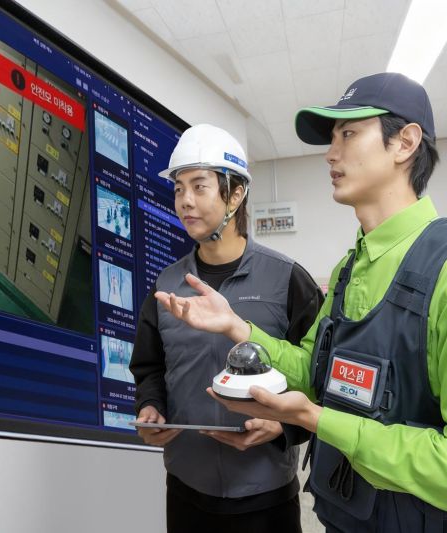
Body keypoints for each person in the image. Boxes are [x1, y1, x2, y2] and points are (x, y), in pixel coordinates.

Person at [155, 74, 447, 532]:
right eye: (331, 139)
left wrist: (319, 421)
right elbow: (316, 372)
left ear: (405, 143)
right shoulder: (349, 270)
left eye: (349, 134)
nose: (330, 153)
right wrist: (237, 328)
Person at [130, 124, 324, 533]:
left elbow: (321, 379)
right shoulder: (166, 286)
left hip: (266, 496)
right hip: (186, 491)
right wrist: (150, 406)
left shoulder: (288, 279)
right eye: (179, 188)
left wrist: (283, 426)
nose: (185, 200)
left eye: (199, 187)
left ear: (235, 194)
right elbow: (150, 368)